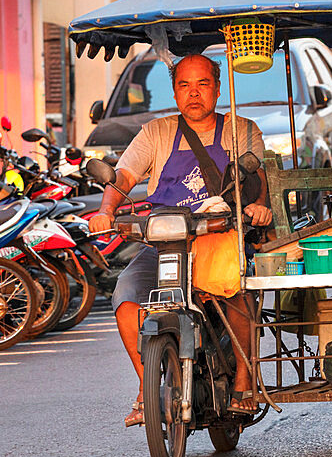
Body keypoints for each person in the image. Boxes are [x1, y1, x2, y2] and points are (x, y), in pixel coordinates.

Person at [88, 54, 274, 426]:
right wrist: (106, 211)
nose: (193, 94)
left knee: (233, 290)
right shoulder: (156, 132)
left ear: (217, 89)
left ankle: (244, 376)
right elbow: (123, 176)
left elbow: (258, 177)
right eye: (184, 85)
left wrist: (258, 207)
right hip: (166, 243)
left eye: (202, 84)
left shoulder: (240, 128)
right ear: (174, 92)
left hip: (220, 238)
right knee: (126, 299)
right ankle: (147, 388)